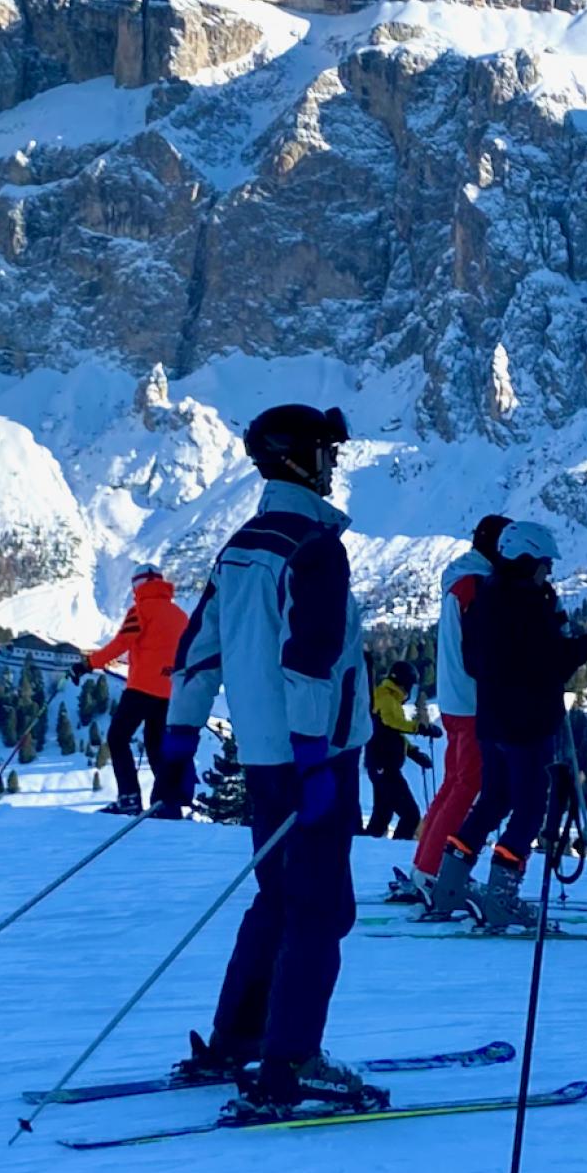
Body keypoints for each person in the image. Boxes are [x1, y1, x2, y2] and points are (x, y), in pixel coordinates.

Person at [161, 404, 376, 1116]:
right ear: (300, 459)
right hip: (313, 760)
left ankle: (236, 1039)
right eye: (325, 453)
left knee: (277, 899)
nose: (332, 465)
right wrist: (316, 757)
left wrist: (179, 741)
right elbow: (310, 662)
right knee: (320, 908)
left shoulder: (243, 544)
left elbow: (198, 653)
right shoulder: (314, 546)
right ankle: (291, 1060)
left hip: (261, 760)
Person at [429, 521, 587, 931]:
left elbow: (472, 660)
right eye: (544, 563)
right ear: (527, 559)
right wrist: (584, 645)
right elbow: (551, 663)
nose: (548, 571)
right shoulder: (530, 603)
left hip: (491, 718)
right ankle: (502, 896)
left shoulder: (486, 596)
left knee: (492, 800)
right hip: (528, 722)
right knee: (529, 809)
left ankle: (449, 885)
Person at [394, 516, 507, 910]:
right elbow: (484, 648)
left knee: (454, 784)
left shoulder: (459, 580)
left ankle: (424, 865)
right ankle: (433, 872)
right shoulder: (477, 585)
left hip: (455, 698)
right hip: (474, 699)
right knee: (466, 786)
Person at [84, 566, 187, 816]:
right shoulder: (181, 616)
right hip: (170, 690)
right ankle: (166, 803)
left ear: (137, 587)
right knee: (156, 744)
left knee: (118, 738)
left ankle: (129, 799)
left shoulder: (140, 610)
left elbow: (121, 643)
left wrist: (87, 664)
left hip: (142, 687)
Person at [363, 661, 436, 839]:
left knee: (381, 816)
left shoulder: (391, 698)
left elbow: (392, 733)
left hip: (384, 766)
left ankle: (370, 855)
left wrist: (414, 753)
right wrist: (420, 727)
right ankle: (398, 850)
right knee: (410, 815)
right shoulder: (385, 697)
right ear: (404, 682)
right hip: (383, 766)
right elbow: (391, 722)